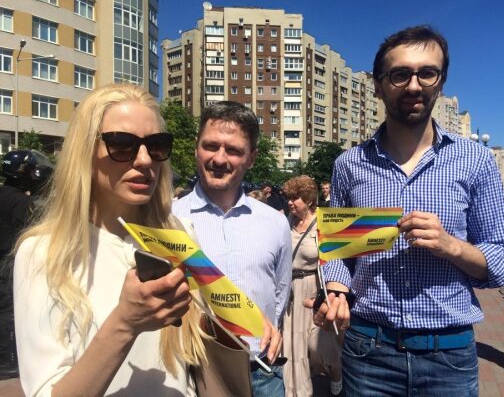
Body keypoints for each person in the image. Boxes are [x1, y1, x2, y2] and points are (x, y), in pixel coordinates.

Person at [306, 25, 504, 396]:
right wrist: (336, 292)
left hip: (448, 355)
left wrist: (451, 246)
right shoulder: (349, 165)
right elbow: (338, 253)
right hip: (368, 350)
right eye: (400, 74)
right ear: (378, 85)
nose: (414, 86)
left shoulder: (475, 160)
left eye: (427, 73)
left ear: (440, 82)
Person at [13, 83, 207, 396]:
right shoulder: (44, 252)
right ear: (85, 153)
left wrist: (246, 324)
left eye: (156, 145)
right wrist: (125, 324)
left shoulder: (181, 234)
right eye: (121, 144)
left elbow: (194, 358)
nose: (144, 160)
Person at [172, 101, 292, 397]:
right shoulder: (169, 219)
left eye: (234, 150)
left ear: (252, 158)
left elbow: (279, 294)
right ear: (196, 148)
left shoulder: (275, 223)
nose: (219, 158)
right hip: (194, 372)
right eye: (210, 146)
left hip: (263, 373)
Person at [281, 175, 342, 397]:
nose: (290, 202)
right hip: (289, 289)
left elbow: (335, 260)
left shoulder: (323, 224)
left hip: (314, 289)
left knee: (318, 347)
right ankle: (297, 391)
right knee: (292, 343)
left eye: (295, 198)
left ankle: (335, 373)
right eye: (289, 197)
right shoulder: (285, 222)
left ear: (308, 199)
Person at [0, 150, 46, 380]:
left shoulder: (3, 193)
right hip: (9, 261)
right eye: (30, 170)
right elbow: (30, 231)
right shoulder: (21, 201)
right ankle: (8, 360)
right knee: (9, 309)